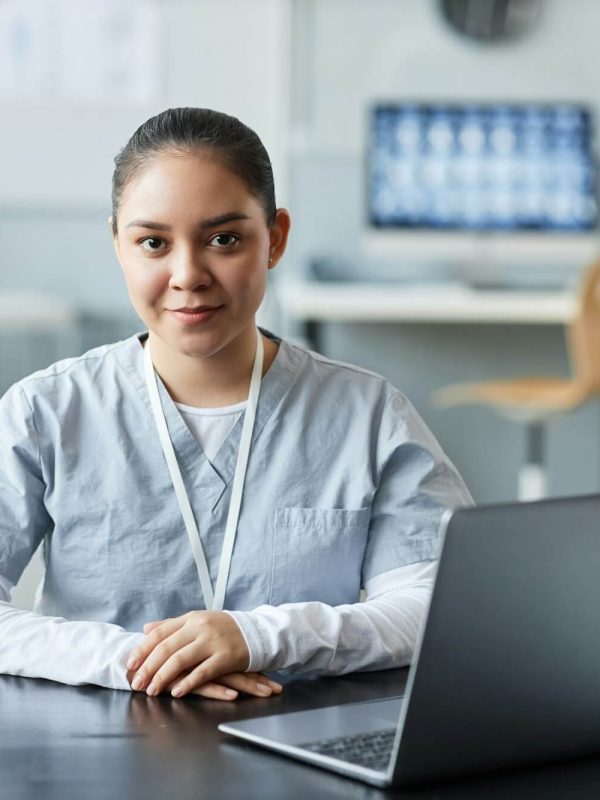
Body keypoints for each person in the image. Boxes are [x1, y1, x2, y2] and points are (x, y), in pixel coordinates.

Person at [0, 108, 471, 701]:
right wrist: (139, 661)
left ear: (274, 239)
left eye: (224, 239)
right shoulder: (45, 412)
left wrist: (262, 636)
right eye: (152, 243)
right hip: (95, 745)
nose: (188, 275)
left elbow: (434, 604)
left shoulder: (369, 415)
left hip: (305, 745)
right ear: (118, 245)